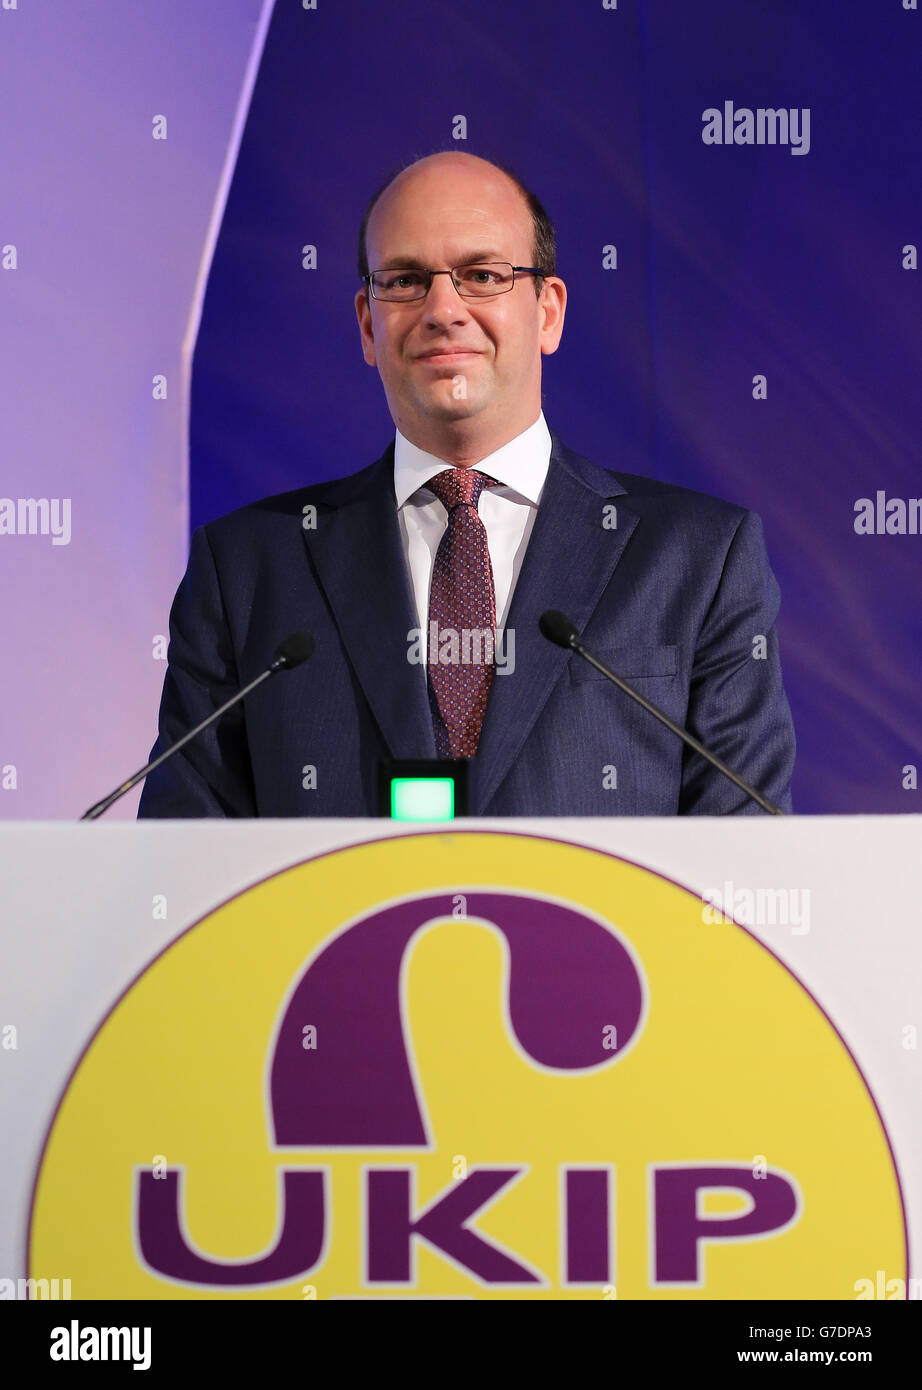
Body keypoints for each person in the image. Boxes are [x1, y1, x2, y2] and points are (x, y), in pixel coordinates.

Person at [137, 150, 795, 818]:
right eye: (405, 280)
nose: (442, 309)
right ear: (368, 324)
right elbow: (185, 866)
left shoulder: (701, 558)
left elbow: (743, 861)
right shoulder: (246, 569)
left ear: (548, 311)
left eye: (482, 275)